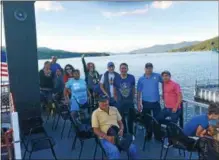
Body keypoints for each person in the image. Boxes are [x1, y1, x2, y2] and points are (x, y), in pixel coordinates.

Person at [92, 95, 138, 159]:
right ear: (98, 102)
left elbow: (120, 123)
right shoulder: (95, 113)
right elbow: (95, 130)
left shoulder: (114, 109)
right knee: (114, 151)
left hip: (117, 135)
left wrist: (121, 129)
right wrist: (107, 137)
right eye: (102, 102)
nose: (104, 103)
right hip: (105, 137)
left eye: (105, 101)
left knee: (132, 148)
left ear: (108, 101)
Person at [137, 62, 162, 139]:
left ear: (152, 68)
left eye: (150, 68)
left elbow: (165, 82)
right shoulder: (141, 79)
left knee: (157, 120)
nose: (149, 69)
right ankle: (149, 135)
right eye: (147, 68)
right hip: (145, 103)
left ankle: (158, 136)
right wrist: (138, 103)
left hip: (156, 103)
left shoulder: (157, 76)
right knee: (147, 120)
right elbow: (138, 92)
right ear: (145, 69)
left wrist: (165, 93)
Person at [114, 63, 136, 136]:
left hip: (130, 102)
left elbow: (133, 89)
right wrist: (117, 100)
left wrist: (133, 98)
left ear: (127, 69)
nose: (123, 70)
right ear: (120, 69)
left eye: (125, 68)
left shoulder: (131, 77)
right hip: (120, 102)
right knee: (121, 119)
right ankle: (125, 132)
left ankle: (131, 132)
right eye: (122, 68)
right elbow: (114, 91)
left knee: (131, 119)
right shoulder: (116, 78)